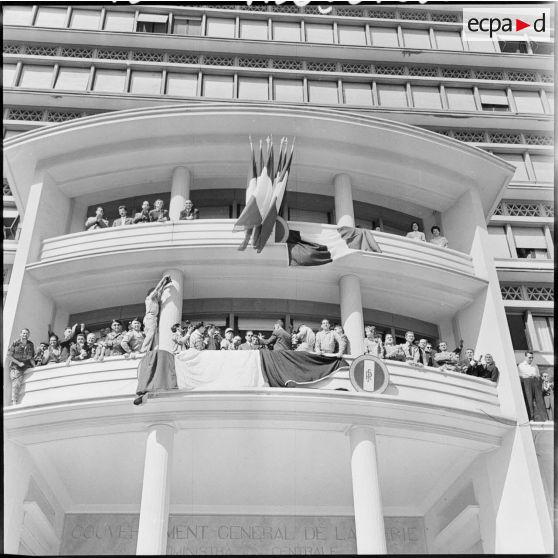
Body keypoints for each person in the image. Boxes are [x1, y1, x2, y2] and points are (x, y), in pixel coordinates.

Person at [139, 274, 172, 353]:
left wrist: (165, 284)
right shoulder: (150, 298)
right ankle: (144, 349)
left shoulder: (155, 301)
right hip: (150, 317)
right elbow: (157, 289)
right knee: (150, 334)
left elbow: (159, 291)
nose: (158, 295)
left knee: (154, 334)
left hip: (153, 318)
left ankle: (154, 350)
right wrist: (163, 280)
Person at [8, 328, 35, 404]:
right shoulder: (15, 343)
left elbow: (31, 357)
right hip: (16, 367)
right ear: (20, 334)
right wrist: (18, 363)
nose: (25, 335)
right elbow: (9, 355)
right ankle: (14, 402)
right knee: (16, 384)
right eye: (23, 333)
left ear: (29, 335)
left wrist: (35, 366)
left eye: (26, 333)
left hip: (26, 367)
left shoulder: (30, 344)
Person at [517, 351, 546, 421]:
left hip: (535, 381)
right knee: (529, 400)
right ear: (525, 357)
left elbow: (538, 375)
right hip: (526, 382)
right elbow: (519, 376)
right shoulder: (521, 365)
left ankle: (543, 418)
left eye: (532, 357)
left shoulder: (535, 365)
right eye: (529, 357)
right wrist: (527, 377)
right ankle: (531, 418)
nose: (531, 359)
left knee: (540, 400)